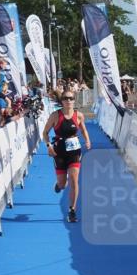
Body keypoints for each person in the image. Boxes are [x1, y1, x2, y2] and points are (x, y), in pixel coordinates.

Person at [42, 90, 91, 223]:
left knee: (74, 180)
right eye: (66, 98)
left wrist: (87, 140)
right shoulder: (55, 116)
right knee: (63, 184)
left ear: (74, 100)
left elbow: (83, 129)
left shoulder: (79, 115)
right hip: (59, 152)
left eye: (71, 98)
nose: (68, 101)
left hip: (74, 151)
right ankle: (59, 185)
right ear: (62, 101)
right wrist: (48, 146)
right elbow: (45, 133)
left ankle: (72, 210)